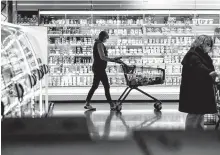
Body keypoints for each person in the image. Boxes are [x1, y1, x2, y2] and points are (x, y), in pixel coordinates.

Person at [179, 35, 219, 130]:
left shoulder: (202, 54)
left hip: (200, 88)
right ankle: (190, 134)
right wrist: (210, 72)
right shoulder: (193, 55)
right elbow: (199, 67)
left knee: (200, 112)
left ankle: (198, 133)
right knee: (194, 113)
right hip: (194, 90)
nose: (209, 46)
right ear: (201, 44)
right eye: (207, 44)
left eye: (210, 44)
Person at [84, 31, 122, 111]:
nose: (106, 40)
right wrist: (113, 60)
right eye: (106, 38)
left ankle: (87, 103)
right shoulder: (99, 44)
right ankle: (111, 104)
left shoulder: (97, 43)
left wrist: (113, 59)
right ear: (103, 37)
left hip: (98, 68)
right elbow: (102, 57)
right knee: (106, 86)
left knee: (95, 86)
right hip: (99, 69)